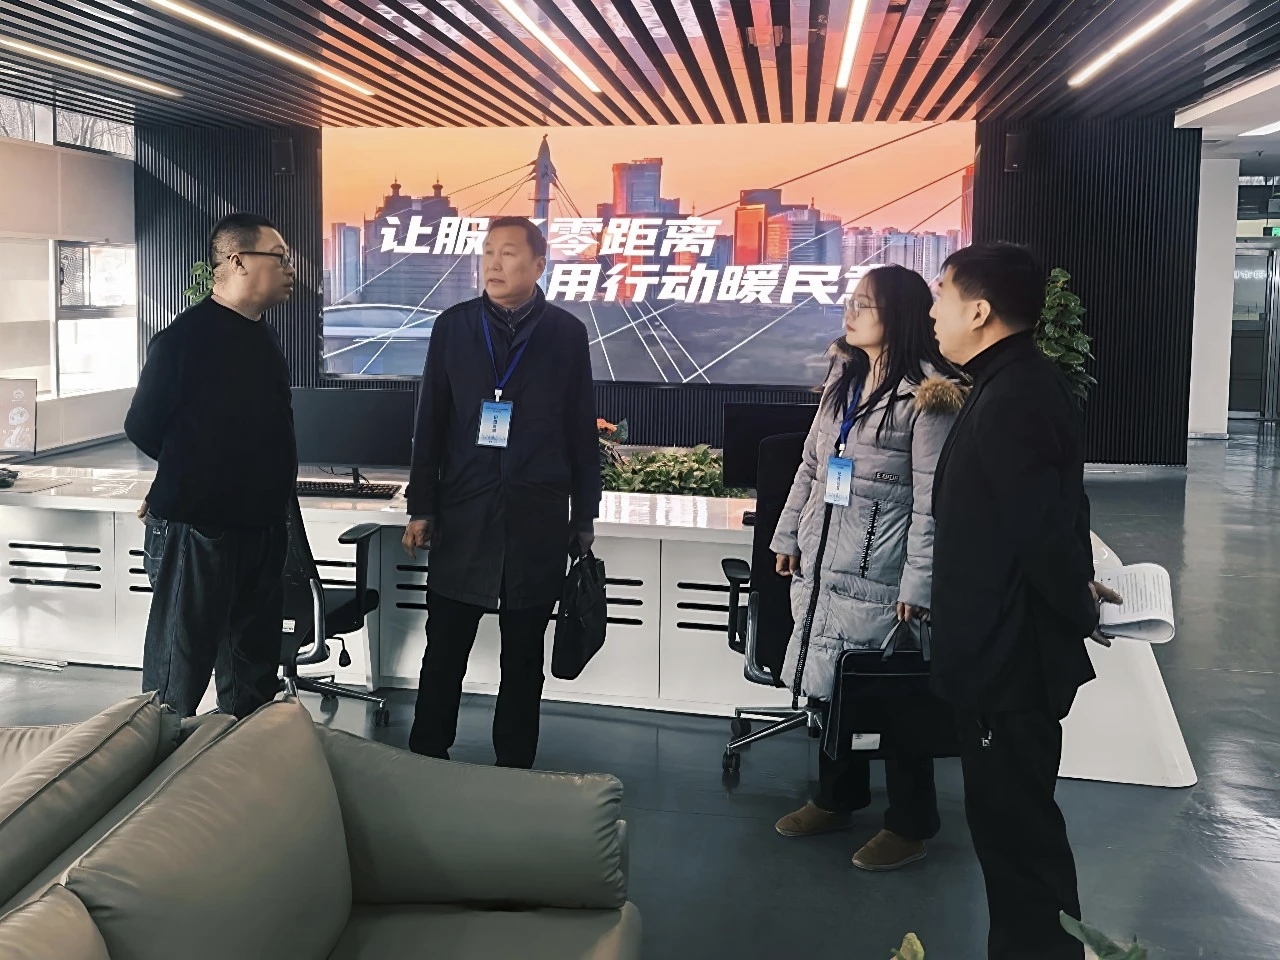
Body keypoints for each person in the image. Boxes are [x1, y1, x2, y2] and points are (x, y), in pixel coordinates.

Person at [928, 243, 1121, 960]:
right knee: (1009, 836)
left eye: (942, 295)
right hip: (997, 652)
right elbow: (1051, 513)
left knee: (1019, 843)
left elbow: (1041, 528)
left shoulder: (1017, 394)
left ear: (979, 310)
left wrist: (1076, 602)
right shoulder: (1009, 382)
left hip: (1006, 665)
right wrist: (1074, 582)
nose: (933, 312)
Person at [770, 265, 965, 870]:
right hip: (825, 560)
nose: (849, 313)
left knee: (897, 699)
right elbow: (811, 464)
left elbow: (933, 501)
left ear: (898, 316)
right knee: (831, 682)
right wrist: (787, 534)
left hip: (883, 571)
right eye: (850, 302)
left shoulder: (928, 396)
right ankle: (837, 798)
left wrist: (919, 582)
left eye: (865, 305)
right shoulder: (845, 376)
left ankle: (910, 824)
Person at [403, 215, 599, 769]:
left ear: (538, 265)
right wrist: (421, 507)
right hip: (464, 509)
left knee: (524, 655)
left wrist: (584, 514)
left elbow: (580, 430)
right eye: (488, 252)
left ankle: (513, 766)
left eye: (509, 253)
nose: (493, 263)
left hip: (537, 513)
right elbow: (431, 423)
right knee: (445, 648)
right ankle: (426, 756)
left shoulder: (565, 334)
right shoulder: (453, 327)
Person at [125, 212, 297, 719]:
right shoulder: (184, 339)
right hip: (198, 529)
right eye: (279, 257)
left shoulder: (263, 337)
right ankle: (152, 766)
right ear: (237, 261)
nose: (290, 268)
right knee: (174, 685)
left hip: (261, 531)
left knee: (252, 679)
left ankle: (239, 761)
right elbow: (142, 426)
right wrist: (189, 475)